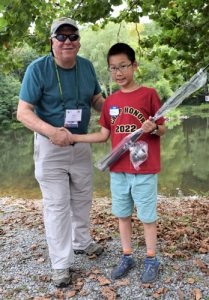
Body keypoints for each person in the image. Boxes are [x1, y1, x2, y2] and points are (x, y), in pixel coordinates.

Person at [17, 17, 105, 288]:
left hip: (80, 143)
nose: (68, 41)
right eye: (61, 36)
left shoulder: (87, 66)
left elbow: (96, 100)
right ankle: (61, 264)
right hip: (50, 145)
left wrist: (117, 109)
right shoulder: (38, 68)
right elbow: (23, 112)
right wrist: (51, 131)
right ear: (52, 41)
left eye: (73, 36)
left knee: (82, 197)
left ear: (78, 40)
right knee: (56, 206)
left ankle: (81, 241)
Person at [71, 43, 166, 283]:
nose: (119, 73)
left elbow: (163, 128)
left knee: (147, 217)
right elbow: (103, 135)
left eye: (123, 66)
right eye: (113, 68)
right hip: (118, 170)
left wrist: (153, 127)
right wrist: (72, 137)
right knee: (122, 215)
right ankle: (127, 256)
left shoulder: (149, 94)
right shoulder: (110, 101)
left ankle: (151, 259)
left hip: (144, 169)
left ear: (134, 66)